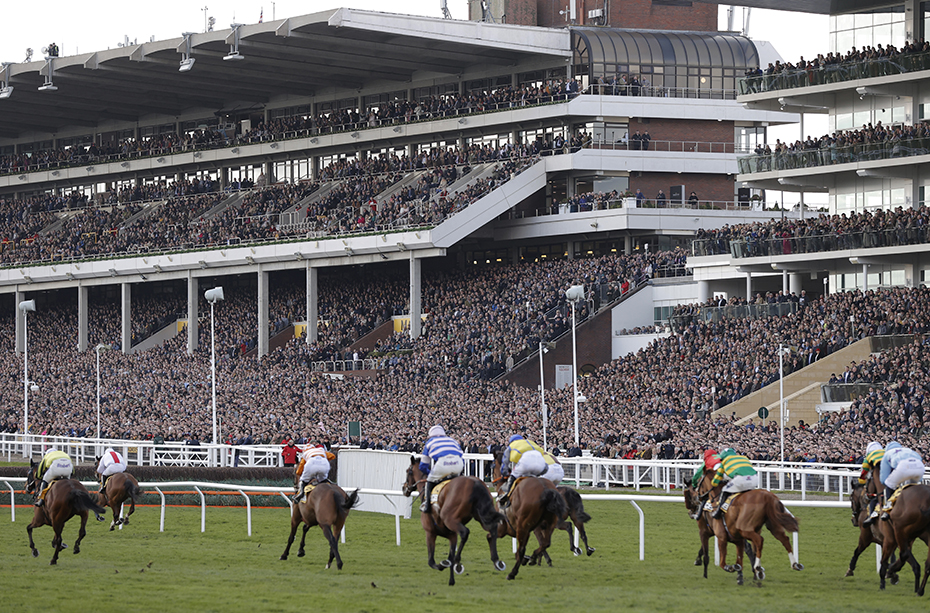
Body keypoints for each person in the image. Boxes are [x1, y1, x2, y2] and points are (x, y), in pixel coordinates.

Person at [418, 425, 464, 513]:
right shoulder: (452, 440)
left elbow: (422, 466)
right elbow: (461, 456)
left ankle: (426, 505)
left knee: (429, 481)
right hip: (458, 463)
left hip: (443, 464)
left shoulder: (430, 442)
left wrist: (429, 473)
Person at [877, 441, 925, 520]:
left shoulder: (887, 454)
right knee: (913, 487)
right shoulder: (908, 450)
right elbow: (919, 459)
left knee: (888, 483)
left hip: (903, 466)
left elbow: (883, 479)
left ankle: (887, 509)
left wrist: (889, 483)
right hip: (919, 466)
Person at [498, 434, 548, 507]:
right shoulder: (530, 442)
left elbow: (505, 462)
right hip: (540, 462)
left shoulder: (511, 446)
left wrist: (504, 473)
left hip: (525, 461)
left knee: (513, 476)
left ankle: (508, 497)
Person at [710, 447, 759, 518]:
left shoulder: (724, 461)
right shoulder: (744, 458)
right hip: (755, 478)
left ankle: (718, 512)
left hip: (740, 479)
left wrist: (714, 484)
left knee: (724, 490)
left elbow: (717, 478)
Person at [859, 441, 885, 526]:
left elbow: (864, 472)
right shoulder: (885, 452)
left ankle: (871, 515)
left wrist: (862, 480)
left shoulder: (869, 456)